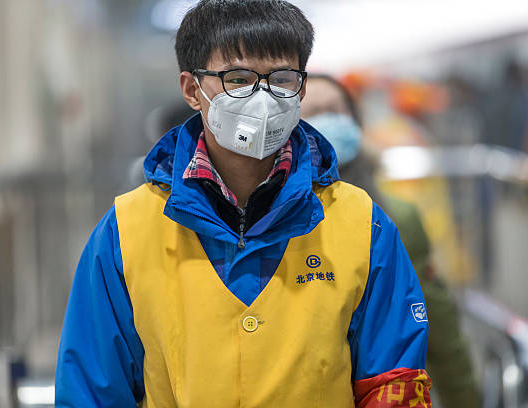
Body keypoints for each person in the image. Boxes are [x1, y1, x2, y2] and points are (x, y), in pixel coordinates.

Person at [55, 1, 432, 406]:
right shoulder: (125, 233)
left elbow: (392, 383)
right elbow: (92, 392)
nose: (263, 97)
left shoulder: (362, 226)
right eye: (237, 78)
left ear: (301, 88)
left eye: (282, 78)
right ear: (191, 89)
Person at [302, 74, 480, 408]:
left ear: (356, 123)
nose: (327, 122)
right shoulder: (270, 218)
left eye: (335, 111)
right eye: (312, 113)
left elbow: (438, 325)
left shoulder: (395, 217)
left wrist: (467, 399)